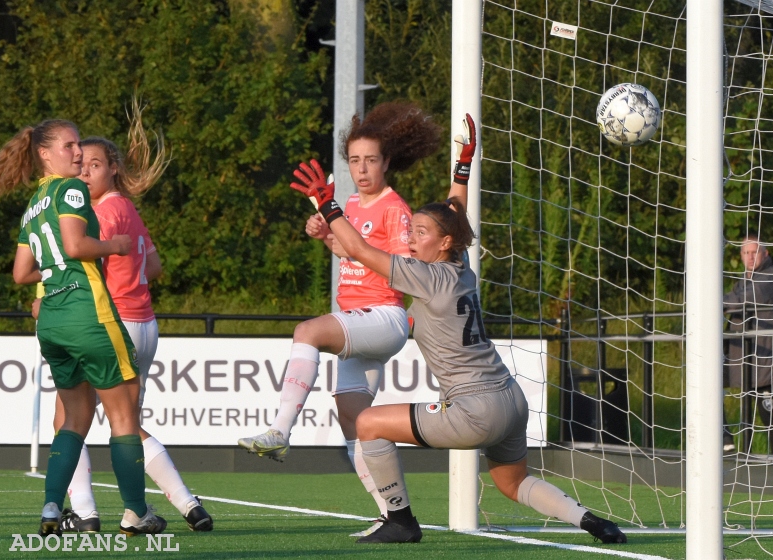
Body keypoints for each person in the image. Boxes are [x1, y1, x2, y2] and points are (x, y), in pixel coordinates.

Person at [288, 113, 628, 545]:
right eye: (412, 230)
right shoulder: (461, 267)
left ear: (443, 242)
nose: (411, 238)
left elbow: (355, 246)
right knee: (513, 483)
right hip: (511, 399)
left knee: (368, 423)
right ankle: (591, 521)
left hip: (476, 411)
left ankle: (400, 521)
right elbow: (455, 215)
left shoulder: (424, 278)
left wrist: (327, 204)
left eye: (421, 232)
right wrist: (462, 168)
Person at [238, 102, 440, 535]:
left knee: (307, 331)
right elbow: (350, 251)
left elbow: (403, 271)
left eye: (371, 160)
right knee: (355, 421)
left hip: (384, 316)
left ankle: (279, 431)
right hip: (358, 319)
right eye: (354, 160)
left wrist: (339, 230)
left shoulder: (394, 208)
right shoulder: (349, 201)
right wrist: (327, 234)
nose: (362, 168)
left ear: (387, 162)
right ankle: (395, 516)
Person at [42, 101, 213, 533]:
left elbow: (71, 246)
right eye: (83, 163)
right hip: (144, 321)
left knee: (70, 421)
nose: (84, 172)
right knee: (127, 422)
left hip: (108, 320)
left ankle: (85, 513)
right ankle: (188, 505)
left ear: (113, 169)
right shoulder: (131, 211)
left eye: (94, 164)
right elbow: (153, 266)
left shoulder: (101, 210)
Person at [0, 119, 166, 536]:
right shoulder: (70, 189)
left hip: (52, 318)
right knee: (124, 417)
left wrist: (56, 270)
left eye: (78, 148)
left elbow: (20, 273)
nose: (77, 154)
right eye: (69, 146)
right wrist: (112, 246)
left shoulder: (34, 203)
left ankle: (52, 508)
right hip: (89, 315)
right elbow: (75, 246)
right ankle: (137, 512)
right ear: (45, 154)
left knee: (73, 419)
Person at [723, 232, 773, 455]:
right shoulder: (744, 280)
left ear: (766, 253)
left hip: (764, 361)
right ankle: (725, 440)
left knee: (771, 420)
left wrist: (706, 298)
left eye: (755, 252)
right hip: (744, 357)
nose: (750, 257)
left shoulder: (770, 278)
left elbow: (741, 300)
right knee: (707, 384)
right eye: (746, 252)